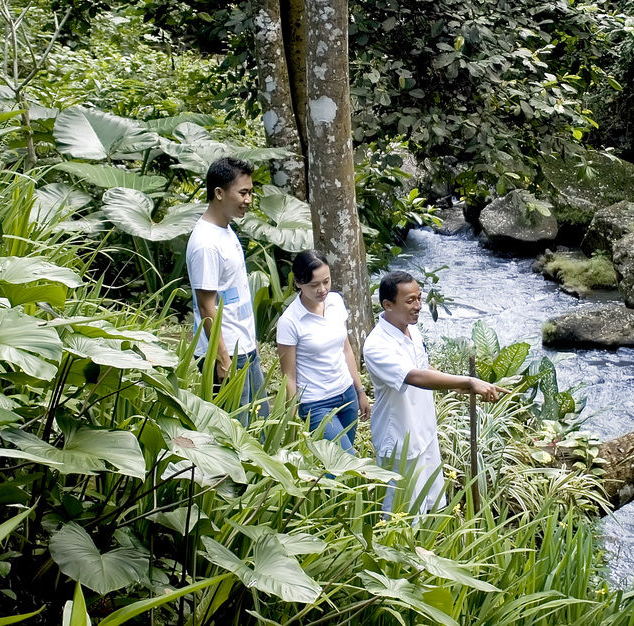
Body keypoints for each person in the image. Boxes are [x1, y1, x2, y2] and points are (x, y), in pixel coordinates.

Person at [363, 270, 507, 513]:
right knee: (402, 513)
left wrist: (458, 384)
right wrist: (468, 381)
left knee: (431, 503)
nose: (418, 305)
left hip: (424, 432)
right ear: (388, 305)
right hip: (400, 440)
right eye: (410, 301)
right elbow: (414, 376)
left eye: (419, 298)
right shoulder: (377, 345)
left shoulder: (412, 330)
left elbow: (424, 367)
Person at [186, 156, 266, 423]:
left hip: (243, 346)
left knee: (259, 425)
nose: (248, 200)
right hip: (228, 352)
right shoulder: (206, 243)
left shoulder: (226, 230)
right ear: (219, 193)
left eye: (250, 192)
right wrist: (222, 359)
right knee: (235, 431)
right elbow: (206, 306)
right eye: (243, 193)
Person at [277, 250, 371, 452]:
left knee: (333, 470)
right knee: (346, 459)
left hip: (347, 394)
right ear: (299, 284)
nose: (322, 289)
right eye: (314, 285)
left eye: (326, 281)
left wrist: (360, 391)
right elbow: (289, 377)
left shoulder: (335, 301)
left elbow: (345, 349)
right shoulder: (289, 321)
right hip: (316, 404)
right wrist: (292, 419)